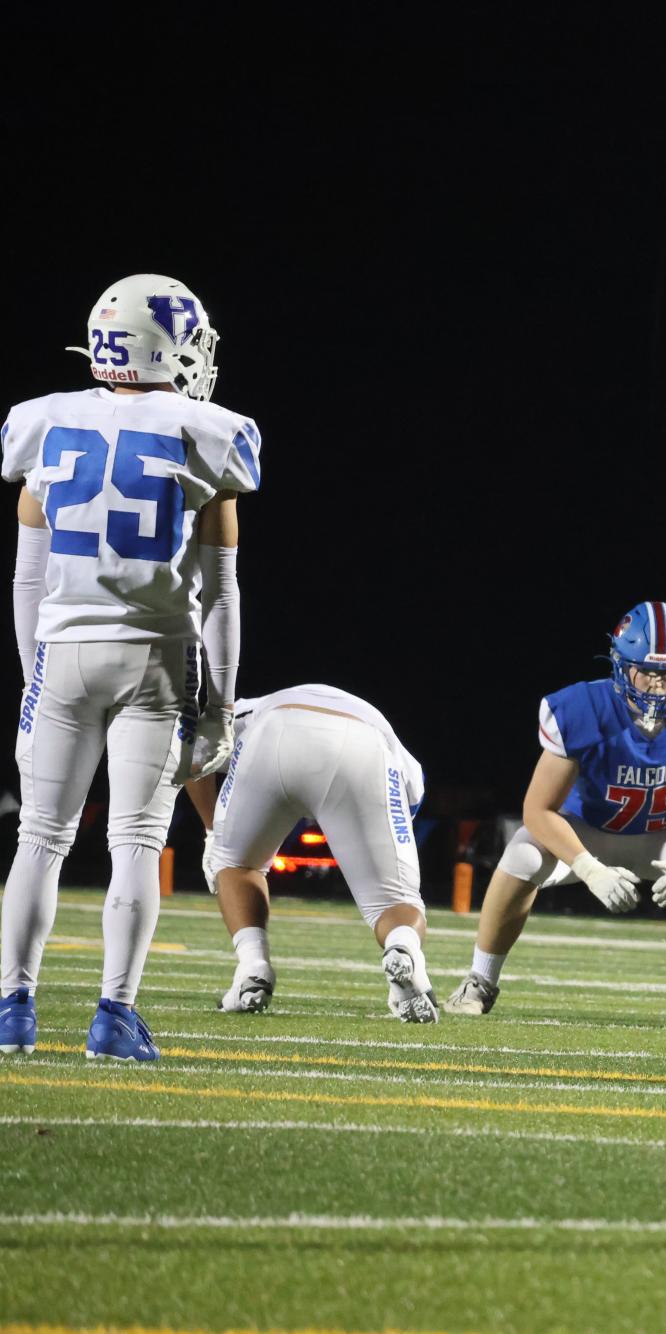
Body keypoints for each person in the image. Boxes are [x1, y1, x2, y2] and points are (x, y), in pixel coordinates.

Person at [0, 275, 256, 1063]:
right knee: (136, 841)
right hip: (156, 654)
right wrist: (220, 706)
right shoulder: (210, 431)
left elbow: (28, 579)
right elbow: (219, 591)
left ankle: (13, 1009)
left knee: (39, 840)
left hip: (64, 653)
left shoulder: (42, 423)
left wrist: (29, 680)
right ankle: (113, 1017)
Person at [441, 602, 666, 1032]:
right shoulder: (583, 708)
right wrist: (587, 867)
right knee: (523, 854)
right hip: (592, 832)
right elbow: (537, 809)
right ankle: (479, 981)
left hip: (664, 831)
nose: (659, 683)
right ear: (620, 665)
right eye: (647, 671)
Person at [185, 686, 435, 1021]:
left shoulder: (251, 711)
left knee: (236, 864)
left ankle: (253, 969)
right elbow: (403, 808)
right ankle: (403, 949)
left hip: (275, 731)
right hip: (362, 746)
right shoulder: (406, 765)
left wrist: (212, 832)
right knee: (396, 900)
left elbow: (193, 750)